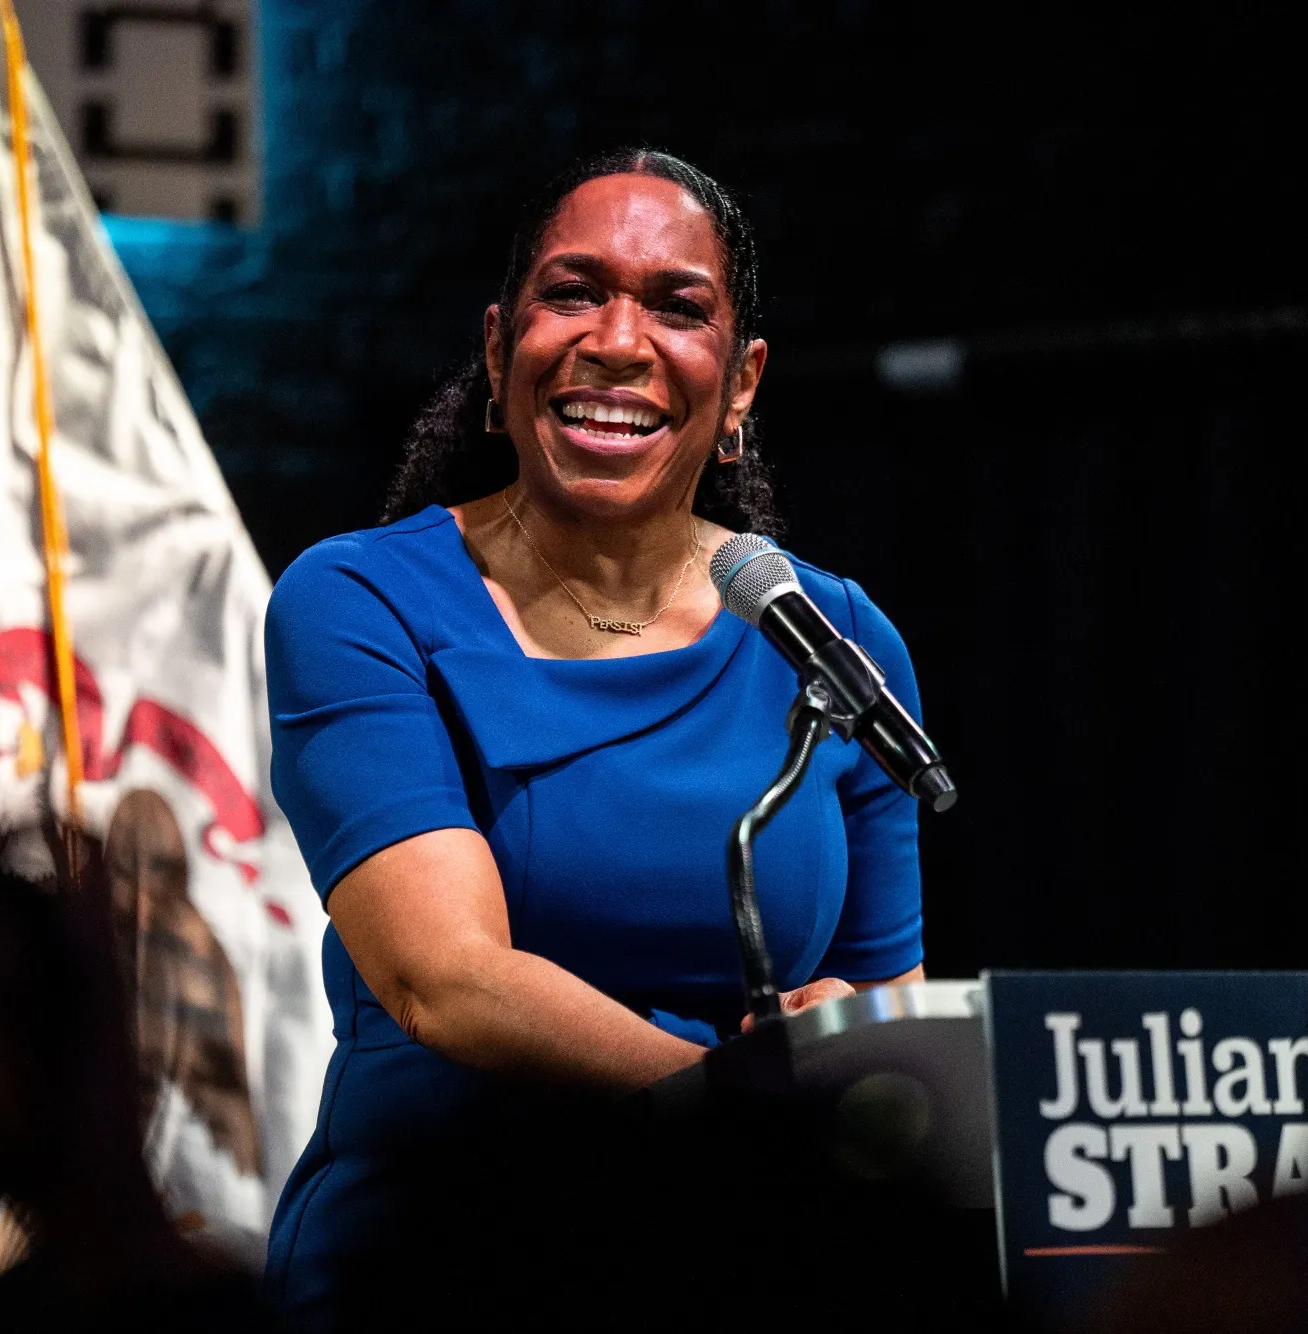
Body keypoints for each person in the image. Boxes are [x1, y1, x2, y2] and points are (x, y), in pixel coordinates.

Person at [261, 149, 929, 1328]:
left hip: (739, 1272)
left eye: (678, 307)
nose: (618, 340)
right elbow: (444, 980)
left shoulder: (834, 635)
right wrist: (740, 1097)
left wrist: (849, 1040)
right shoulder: (363, 601)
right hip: (433, 1265)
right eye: (573, 292)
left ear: (740, 384)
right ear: (494, 350)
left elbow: (888, 1011)